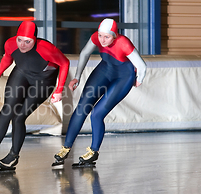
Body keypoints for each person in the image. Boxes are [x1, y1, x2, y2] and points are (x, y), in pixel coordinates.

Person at [52, 18, 146, 168]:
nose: (102, 40)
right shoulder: (96, 37)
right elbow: (84, 54)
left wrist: (138, 79)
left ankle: (93, 151)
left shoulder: (123, 42)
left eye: (107, 37)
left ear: (115, 35)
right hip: (105, 69)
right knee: (82, 107)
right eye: (100, 35)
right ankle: (66, 148)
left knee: (96, 114)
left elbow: (141, 65)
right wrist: (77, 76)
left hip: (123, 77)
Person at [0, 20, 70, 175]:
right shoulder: (10, 43)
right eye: (19, 40)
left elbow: (65, 63)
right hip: (22, 73)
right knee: (7, 110)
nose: (22, 45)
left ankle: (13, 156)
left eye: (28, 41)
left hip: (43, 80)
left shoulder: (46, 48)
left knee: (19, 117)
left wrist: (59, 90)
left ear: (35, 39)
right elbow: (8, 57)